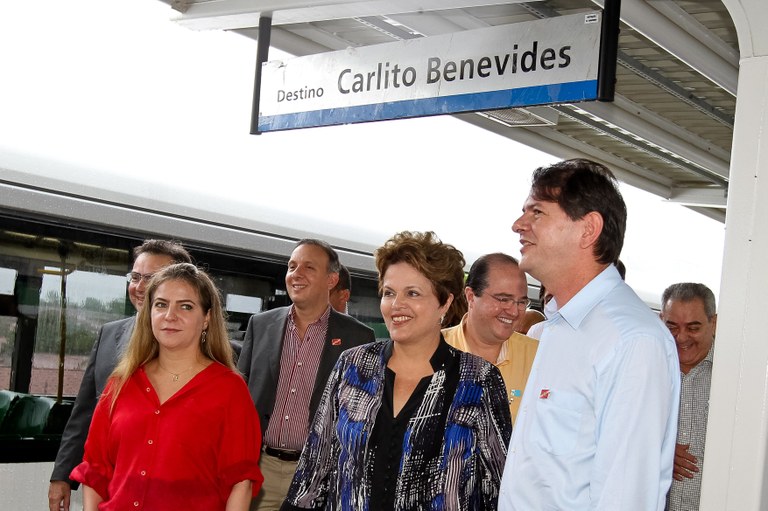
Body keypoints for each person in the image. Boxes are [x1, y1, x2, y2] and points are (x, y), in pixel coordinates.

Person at [281, 231, 512, 511]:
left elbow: (497, 487)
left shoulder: (478, 379)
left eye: (412, 293)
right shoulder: (353, 367)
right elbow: (314, 471)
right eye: (389, 293)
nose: (396, 305)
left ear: (445, 302)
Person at [500, 159, 680, 510]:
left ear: (588, 229)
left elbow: (626, 496)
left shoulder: (632, 340)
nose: (518, 225)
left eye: (537, 213)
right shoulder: (555, 328)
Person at [70, 263, 263, 510]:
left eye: (185, 306)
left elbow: (241, 481)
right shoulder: (120, 383)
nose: (170, 315)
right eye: (161, 304)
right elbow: (96, 470)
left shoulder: (229, 390)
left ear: (206, 318)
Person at [48, 239, 192, 511]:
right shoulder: (108, 334)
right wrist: (62, 476)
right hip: (110, 489)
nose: (139, 287)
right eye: (135, 277)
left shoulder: (203, 352)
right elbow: (85, 413)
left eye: (151, 278)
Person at [238, 239, 376, 510]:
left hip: (317, 476)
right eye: (292, 266)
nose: (296, 274)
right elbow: (240, 397)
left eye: (308, 267)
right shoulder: (260, 324)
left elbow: (363, 417)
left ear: (331, 279)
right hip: (259, 469)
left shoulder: (359, 337)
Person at [442, 252, 538, 424]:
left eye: (521, 302)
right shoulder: (432, 349)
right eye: (503, 299)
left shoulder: (538, 356)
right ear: (471, 296)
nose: (514, 311)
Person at [660, 283, 717, 511]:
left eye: (693, 328)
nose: (681, 338)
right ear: (661, 319)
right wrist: (659, 452)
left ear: (713, 323)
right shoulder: (643, 370)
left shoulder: (738, 379)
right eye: (672, 326)